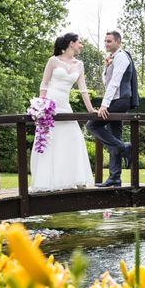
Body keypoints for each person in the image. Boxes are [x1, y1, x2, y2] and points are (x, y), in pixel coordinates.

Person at [30, 33, 96, 191]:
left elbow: (83, 89)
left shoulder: (79, 65)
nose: (81, 45)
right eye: (79, 42)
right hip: (50, 105)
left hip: (65, 105)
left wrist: (91, 109)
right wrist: (40, 106)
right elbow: (44, 84)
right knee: (49, 141)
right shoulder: (53, 60)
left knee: (73, 137)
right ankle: (46, 182)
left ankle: (74, 178)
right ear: (71, 43)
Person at [86, 30, 139, 187]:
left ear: (118, 42)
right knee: (114, 134)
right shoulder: (113, 58)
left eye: (109, 41)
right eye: (105, 41)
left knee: (92, 125)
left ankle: (125, 147)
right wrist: (106, 67)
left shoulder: (122, 57)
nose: (106, 44)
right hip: (117, 99)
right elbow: (107, 82)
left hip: (120, 100)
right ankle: (115, 177)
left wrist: (104, 104)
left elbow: (115, 83)